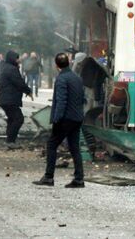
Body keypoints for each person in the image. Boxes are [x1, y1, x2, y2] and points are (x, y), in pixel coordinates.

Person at [33, 53, 85, 188]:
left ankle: (48, 177)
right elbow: (82, 99)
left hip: (65, 119)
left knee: (51, 145)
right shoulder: (77, 78)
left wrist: (56, 119)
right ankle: (79, 179)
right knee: (75, 148)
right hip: (77, 118)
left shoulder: (61, 79)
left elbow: (61, 101)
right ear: (68, 62)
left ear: (56, 65)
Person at [0, 51, 33, 149]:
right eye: (17, 58)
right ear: (12, 59)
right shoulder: (11, 69)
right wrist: (28, 91)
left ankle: (9, 140)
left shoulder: (7, 67)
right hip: (10, 100)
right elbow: (19, 82)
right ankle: (10, 141)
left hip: (6, 99)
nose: (19, 60)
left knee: (12, 119)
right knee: (18, 119)